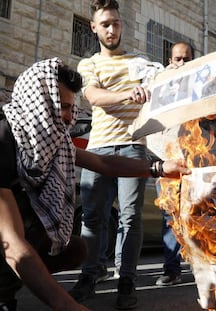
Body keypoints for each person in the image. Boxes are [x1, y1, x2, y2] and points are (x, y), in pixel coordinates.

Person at [0, 58, 190, 311]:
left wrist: (158, 168)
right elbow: (12, 242)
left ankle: (8, 287)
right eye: (62, 108)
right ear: (38, 105)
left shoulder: (55, 145)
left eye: (71, 108)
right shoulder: (3, 138)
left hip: (17, 243)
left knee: (75, 249)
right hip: (8, 243)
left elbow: (104, 164)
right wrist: (68, 306)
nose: (70, 118)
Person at [69, 0, 174, 309]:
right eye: (105, 24)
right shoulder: (88, 65)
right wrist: (129, 93)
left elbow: (162, 89)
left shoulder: (140, 62)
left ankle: (126, 281)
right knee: (93, 218)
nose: (112, 29)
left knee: (131, 217)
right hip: (99, 147)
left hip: (134, 146)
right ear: (94, 27)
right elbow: (93, 96)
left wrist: (161, 83)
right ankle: (89, 276)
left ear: (122, 24)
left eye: (116, 23)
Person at [155, 41, 194, 287]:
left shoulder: (202, 84)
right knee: (170, 218)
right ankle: (172, 269)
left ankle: (207, 269)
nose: (182, 64)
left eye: (187, 59)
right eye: (177, 59)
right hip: (169, 163)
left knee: (200, 217)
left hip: (196, 163)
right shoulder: (162, 84)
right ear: (170, 61)